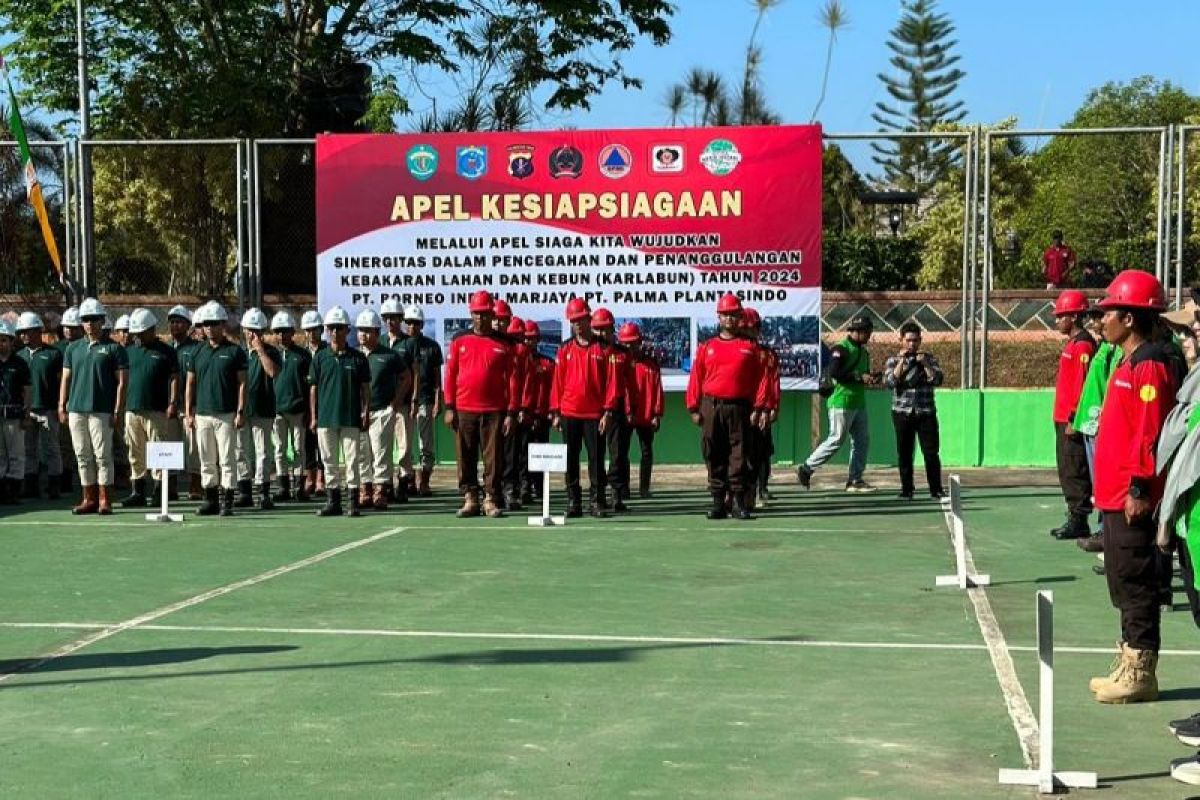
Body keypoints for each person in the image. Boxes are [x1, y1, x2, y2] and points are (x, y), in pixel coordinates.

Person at [1086, 270, 1181, 704]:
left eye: (1107, 313)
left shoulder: (1150, 365)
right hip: (1112, 494)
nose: (1101, 321)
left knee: (1137, 579)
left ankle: (1141, 671)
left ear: (1127, 318)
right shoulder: (1127, 361)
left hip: (1132, 497)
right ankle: (1128, 658)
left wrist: (1141, 489)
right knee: (1122, 578)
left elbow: (1150, 432)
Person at [686, 293, 770, 520]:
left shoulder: (749, 348)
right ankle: (717, 502)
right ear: (719, 317)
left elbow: (761, 379)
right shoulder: (707, 347)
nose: (730, 319)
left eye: (734, 315)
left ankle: (738, 502)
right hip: (711, 406)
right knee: (713, 453)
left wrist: (758, 407)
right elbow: (697, 377)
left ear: (740, 317)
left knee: (739, 454)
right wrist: (693, 407)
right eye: (726, 315)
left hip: (740, 408)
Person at [442, 291, 518, 518]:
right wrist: (449, 407)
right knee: (464, 456)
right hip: (464, 410)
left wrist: (511, 412)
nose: (481, 318)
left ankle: (490, 499)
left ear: (492, 314)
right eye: (477, 313)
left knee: (494, 458)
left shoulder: (504, 343)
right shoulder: (459, 340)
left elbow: (513, 380)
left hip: (494, 410)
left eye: (485, 314)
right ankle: (470, 498)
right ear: (471, 314)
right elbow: (451, 374)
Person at [551, 297, 620, 518]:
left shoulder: (604, 349)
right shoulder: (564, 350)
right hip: (569, 413)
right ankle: (573, 501)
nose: (578, 324)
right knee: (571, 459)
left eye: (581, 319)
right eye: (573, 321)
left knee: (597, 460)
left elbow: (612, 383)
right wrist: (555, 412)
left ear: (589, 319)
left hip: (595, 415)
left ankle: (597, 501)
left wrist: (608, 411)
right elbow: (557, 382)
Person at [59, 297, 128, 515]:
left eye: (94, 319)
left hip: (101, 410)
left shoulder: (114, 349)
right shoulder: (72, 349)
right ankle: (88, 498)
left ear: (102, 321)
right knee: (81, 454)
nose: (90, 324)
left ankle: (105, 499)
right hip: (76, 410)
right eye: (86, 320)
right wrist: (62, 405)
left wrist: (118, 410)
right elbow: (66, 379)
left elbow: (122, 382)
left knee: (102, 455)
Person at [797, 316, 880, 492]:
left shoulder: (864, 353)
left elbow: (861, 374)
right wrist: (858, 376)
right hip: (841, 402)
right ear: (855, 332)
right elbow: (835, 372)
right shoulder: (841, 349)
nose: (868, 335)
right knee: (836, 439)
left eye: (869, 332)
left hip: (859, 402)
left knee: (862, 441)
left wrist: (870, 377)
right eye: (865, 332)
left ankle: (855, 480)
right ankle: (806, 468)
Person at [186, 302, 248, 517]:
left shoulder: (235, 351)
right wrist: (189, 411)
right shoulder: (197, 352)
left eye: (214, 324)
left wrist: (240, 411)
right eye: (206, 324)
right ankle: (210, 500)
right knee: (206, 459)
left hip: (226, 413)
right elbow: (190, 383)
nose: (210, 328)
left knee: (227, 459)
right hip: (202, 413)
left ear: (223, 325)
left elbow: (242, 383)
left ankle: (228, 501)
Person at [308, 306, 371, 517]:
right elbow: (313, 388)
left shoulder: (358, 358)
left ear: (347, 330)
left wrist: (365, 411)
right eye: (332, 328)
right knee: (329, 462)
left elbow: (365, 388)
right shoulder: (319, 358)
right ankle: (333, 502)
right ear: (327, 330)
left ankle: (352, 503)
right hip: (326, 418)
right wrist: (314, 416)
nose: (335, 332)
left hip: (351, 417)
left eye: (340, 328)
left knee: (353, 460)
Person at [1072, 306, 1122, 552]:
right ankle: (1104, 531)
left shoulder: (1116, 350)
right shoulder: (1103, 347)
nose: (1095, 322)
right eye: (1093, 317)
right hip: (1090, 423)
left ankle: (1106, 532)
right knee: (1097, 480)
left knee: (1105, 481)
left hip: (1100, 424)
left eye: (1101, 317)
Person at [1049, 290, 1097, 540]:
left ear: (1074, 316)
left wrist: (1073, 418)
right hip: (1062, 417)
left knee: (1075, 468)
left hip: (1071, 420)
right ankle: (1074, 514)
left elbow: (1082, 385)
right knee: (1067, 468)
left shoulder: (1083, 345)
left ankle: (1079, 518)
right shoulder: (1073, 344)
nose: (1057, 320)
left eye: (1061, 316)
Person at [120, 308, 178, 508]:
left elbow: (174, 379)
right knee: (135, 451)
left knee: (159, 451)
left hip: (157, 410)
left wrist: (172, 402)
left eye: (142, 332)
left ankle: (159, 492)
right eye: (136, 333)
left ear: (152, 329)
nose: (138, 336)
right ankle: (137, 492)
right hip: (132, 409)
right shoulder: (128, 352)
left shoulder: (167, 352)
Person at [355, 308, 409, 511]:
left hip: (382, 411)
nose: (364, 334)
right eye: (361, 330)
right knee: (362, 454)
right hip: (358, 413)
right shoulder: (354, 355)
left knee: (381, 453)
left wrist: (396, 402)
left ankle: (380, 492)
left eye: (368, 330)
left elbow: (406, 377)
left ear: (378, 332)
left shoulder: (389, 355)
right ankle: (365, 491)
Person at [883, 322, 945, 500]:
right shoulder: (893, 360)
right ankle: (907, 489)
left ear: (920, 340)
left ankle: (936, 489)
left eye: (916, 340)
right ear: (901, 340)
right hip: (902, 412)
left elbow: (937, 380)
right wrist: (902, 361)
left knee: (931, 452)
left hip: (925, 411)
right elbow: (890, 382)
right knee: (904, 452)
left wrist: (925, 363)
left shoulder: (930, 359)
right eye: (908, 340)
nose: (912, 344)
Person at [16, 312, 64, 500]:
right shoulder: (19, 356)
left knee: (51, 447)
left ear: (37, 331)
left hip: (48, 409)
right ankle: (31, 486)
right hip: (27, 410)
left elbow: (62, 382)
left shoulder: (53, 354)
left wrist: (61, 405)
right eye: (21, 332)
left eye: (27, 332)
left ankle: (54, 486)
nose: (23, 336)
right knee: (28, 449)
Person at [236, 308, 281, 510]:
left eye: (257, 330)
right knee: (241, 451)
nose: (252, 334)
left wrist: (260, 350)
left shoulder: (271, 352)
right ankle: (244, 491)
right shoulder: (239, 353)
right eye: (249, 330)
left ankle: (263, 492)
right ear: (243, 330)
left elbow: (272, 372)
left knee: (263, 452)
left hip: (263, 409)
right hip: (243, 410)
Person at [591, 308, 633, 511]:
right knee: (596, 455)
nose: (601, 334)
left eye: (605, 329)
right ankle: (597, 496)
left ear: (612, 330)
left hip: (616, 412)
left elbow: (629, 385)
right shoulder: (589, 351)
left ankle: (616, 495)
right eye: (597, 330)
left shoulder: (622, 354)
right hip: (592, 411)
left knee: (617, 455)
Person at [269, 311, 311, 503]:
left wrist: (309, 410)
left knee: (298, 449)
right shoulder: (271, 355)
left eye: (285, 331)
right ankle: (282, 486)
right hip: (277, 410)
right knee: (279, 448)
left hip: (298, 409)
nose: (281, 335)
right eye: (278, 331)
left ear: (293, 332)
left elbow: (310, 385)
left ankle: (299, 487)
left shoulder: (303, 355)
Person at [741, 308, 780, 509]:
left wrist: (770, 407)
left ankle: (759, 490)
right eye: (746, 328)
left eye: (754, 328)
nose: (750, 332)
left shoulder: (767, 354)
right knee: (739, 453)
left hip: (760, 409)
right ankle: (737, 494)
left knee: (760, 452)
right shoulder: (734, 350)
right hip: (738, 407)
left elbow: (772, 382)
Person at [620, 322, 664, 499]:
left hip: (646, 416)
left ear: (640, 342)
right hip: (626, 416)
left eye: (633, 342)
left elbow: (658, 390)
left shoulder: (651, 365)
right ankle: (623, 488)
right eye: (625, 343)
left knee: (646, 452)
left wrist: (656, 414)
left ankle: (644, 489)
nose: (629, 346)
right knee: (621, 453)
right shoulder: (620, 363)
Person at [404, 304, 442, 498]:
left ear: (422, 325)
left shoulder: (432, 346)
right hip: (403, 403)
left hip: (425, 400)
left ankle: (424, 481)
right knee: (405, 445)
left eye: (416, 323)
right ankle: (408, 480)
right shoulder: (400, 346)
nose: (412, 326)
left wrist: (437, 401)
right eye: (409, 322)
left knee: (425, 445)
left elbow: (437, 378)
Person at [166, 305, 200, 501]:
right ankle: (170, 487)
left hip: (191, 407)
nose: (175, 325)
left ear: (188, 325)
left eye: (179, 322)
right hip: (170, 408)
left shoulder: (196, 349)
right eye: (172, 322)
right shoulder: (165, 348)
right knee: (170, 447)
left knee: (193, 447)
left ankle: (196, 486)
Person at [501, 316, 533, 510]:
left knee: (515, 453)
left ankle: (514, 490)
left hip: (514, 411)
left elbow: (527, 382)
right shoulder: (498, 346)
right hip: (497, 409)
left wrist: (522, 407)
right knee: (497, 453)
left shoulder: (521, 351)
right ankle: (495, 491)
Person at [521, 321, 554, 502]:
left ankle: (540, 489)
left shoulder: (547, 363)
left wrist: (551, 411)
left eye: (533, 339)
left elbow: (553, 389)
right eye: (526, 339)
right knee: (523, 455)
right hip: (523, 416)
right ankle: (524, 488)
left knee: (540, 454)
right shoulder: (517, 362)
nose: (529, 342)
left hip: (542, 416)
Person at [0, 321, 32, 505]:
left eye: (4, 340)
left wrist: (26, 414)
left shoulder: (20, 363)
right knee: (0, 455)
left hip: (14, 413)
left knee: (16, 454)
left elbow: (27, 390)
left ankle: (13, 491)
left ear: (12, 341)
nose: (1, 344)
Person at [300, 310, 327, 498]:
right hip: (304, 405)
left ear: (321, 330)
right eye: (307, 330)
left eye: (314, 330)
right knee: (308, 444)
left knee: (323, 445)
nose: (311, 334)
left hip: (325, 405)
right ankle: (309, 478)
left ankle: (321, 480)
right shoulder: (301, 354)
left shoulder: (327, 351)